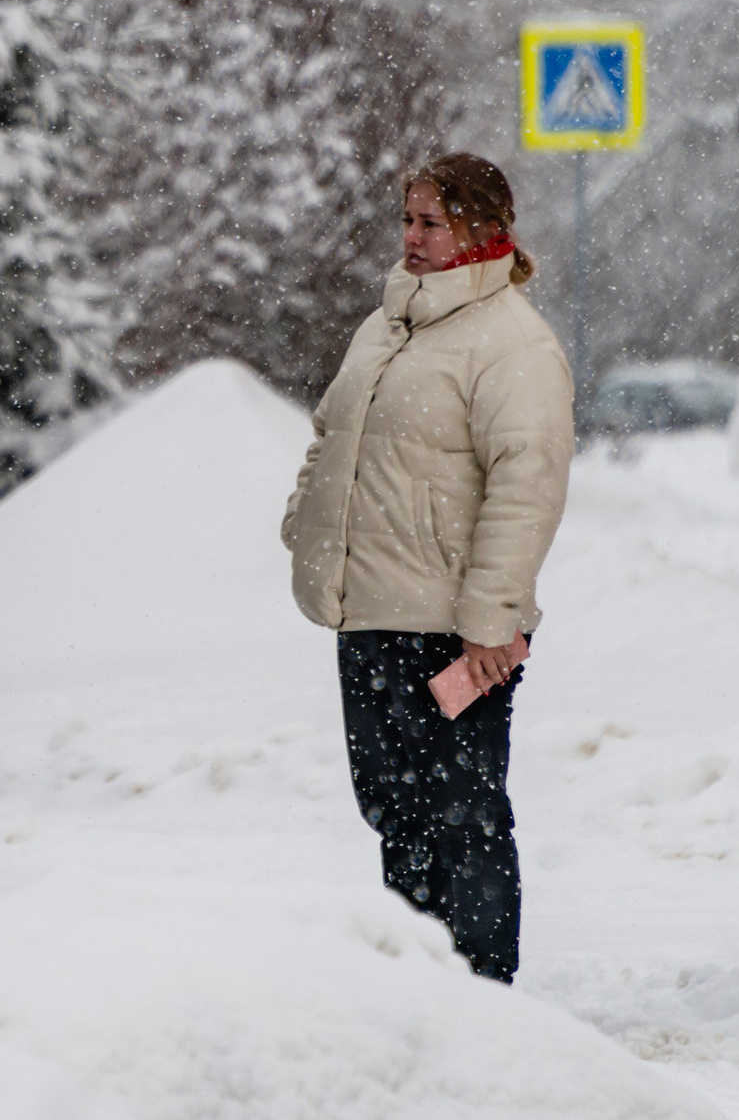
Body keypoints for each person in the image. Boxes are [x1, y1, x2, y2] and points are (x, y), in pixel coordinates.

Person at [282, 152, 573, 984]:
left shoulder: (512, 342)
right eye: (407, 219)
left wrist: (491, 616)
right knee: (395, 815)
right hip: (369, 615)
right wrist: (304, 524)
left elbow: (529, 483)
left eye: (430, 222)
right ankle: (416, 989)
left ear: (483, 229)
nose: (411, 237)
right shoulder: (385, 326)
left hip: (452, 636)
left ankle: (481, 994)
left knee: (461, 819)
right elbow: (331, 434)